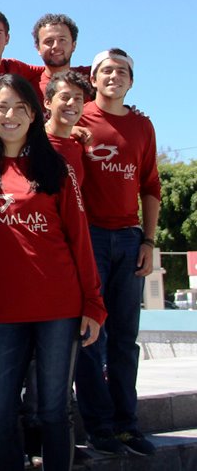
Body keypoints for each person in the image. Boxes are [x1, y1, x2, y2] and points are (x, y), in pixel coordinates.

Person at [0, 74, 105, 471]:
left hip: (58, 307)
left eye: (21, 108)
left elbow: (80, 240)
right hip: (1, 313)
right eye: (2, 107)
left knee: (54, 412)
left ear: (35, 115)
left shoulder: (55, 169)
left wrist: (93, 302)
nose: (11, 116)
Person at [74, 49, 161, 456]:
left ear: (131, 80)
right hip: (88, 238)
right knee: (92, 337)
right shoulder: (78, 118)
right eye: (106, 70)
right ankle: (98, 426)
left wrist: (148, 240)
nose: (114, 76)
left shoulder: (143, 125)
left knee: (125, 339)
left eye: (122, 71)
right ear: (93, 77)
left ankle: (128, 425)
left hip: (129, 240)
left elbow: (150, 186)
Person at [43, 70, 93, 182]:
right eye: (65, 97)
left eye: (78, 99)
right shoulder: (34, 143)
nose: (72, 103)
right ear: (47, 103)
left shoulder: (78, 145)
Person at [31, 13, 91, 102]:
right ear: (38, 48)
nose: (56, 46)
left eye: (62, 40)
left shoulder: (92, 80)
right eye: (49, 41)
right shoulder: (28, 88)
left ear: (73, 45)